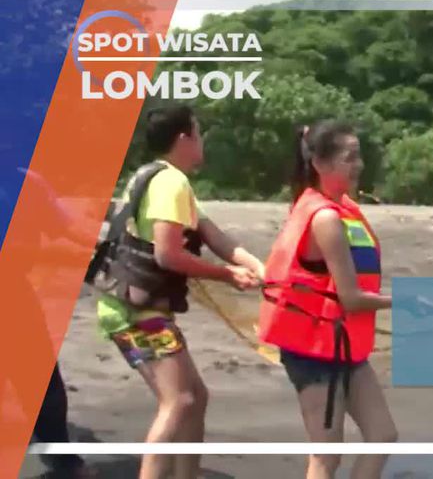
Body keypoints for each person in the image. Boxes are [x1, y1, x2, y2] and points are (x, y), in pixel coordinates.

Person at [91, 105, 264, 479]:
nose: (203, 142)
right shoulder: (171, 183)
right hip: (137, 312)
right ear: (183, 138)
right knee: (179, 400)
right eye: (198, 133)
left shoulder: (154, 175)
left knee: (194, 398)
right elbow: (167, 255)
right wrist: (226, 275)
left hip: (130, 305)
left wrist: (259, 269)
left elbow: (212, 234)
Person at [258, 121, 397, 479]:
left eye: (359, 155)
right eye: (349, 157)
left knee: (383, 435)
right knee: (326, 456)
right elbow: (350, 299)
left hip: (342, 344)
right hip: (313, 350)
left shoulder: (342, 208)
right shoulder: (324, 219)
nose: (359, 164)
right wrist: (402, 302)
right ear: (320, 164)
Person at [1, 164, 97, 478]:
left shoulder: (29, 182)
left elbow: (65, 228)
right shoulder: (28, 181)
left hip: (13, 289)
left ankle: (64, 459)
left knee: (40, 380)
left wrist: (101, 248)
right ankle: (65, 462)